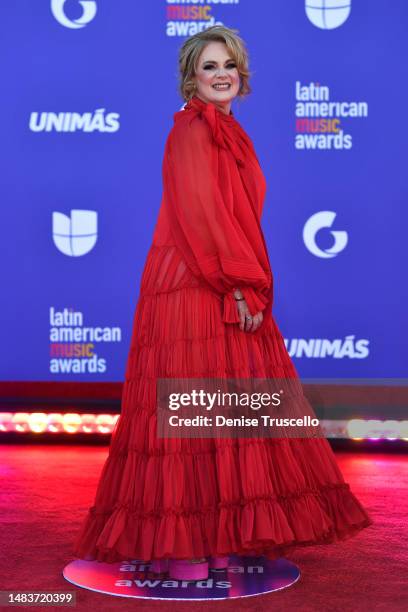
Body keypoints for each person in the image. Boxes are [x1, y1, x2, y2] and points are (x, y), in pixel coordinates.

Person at [72, 25, 372, 582]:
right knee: (191, 415)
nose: (222, 74)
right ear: (191, 75)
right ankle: (184, 550)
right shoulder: (190, 131)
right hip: (194, 283)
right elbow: (202, 215)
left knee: (229, 412)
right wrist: (239, 283)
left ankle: (220, 542)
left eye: (229, 64)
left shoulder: (231, 132)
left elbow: (236, 217)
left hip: (225, 276)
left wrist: (247, 280)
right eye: (210, 66)